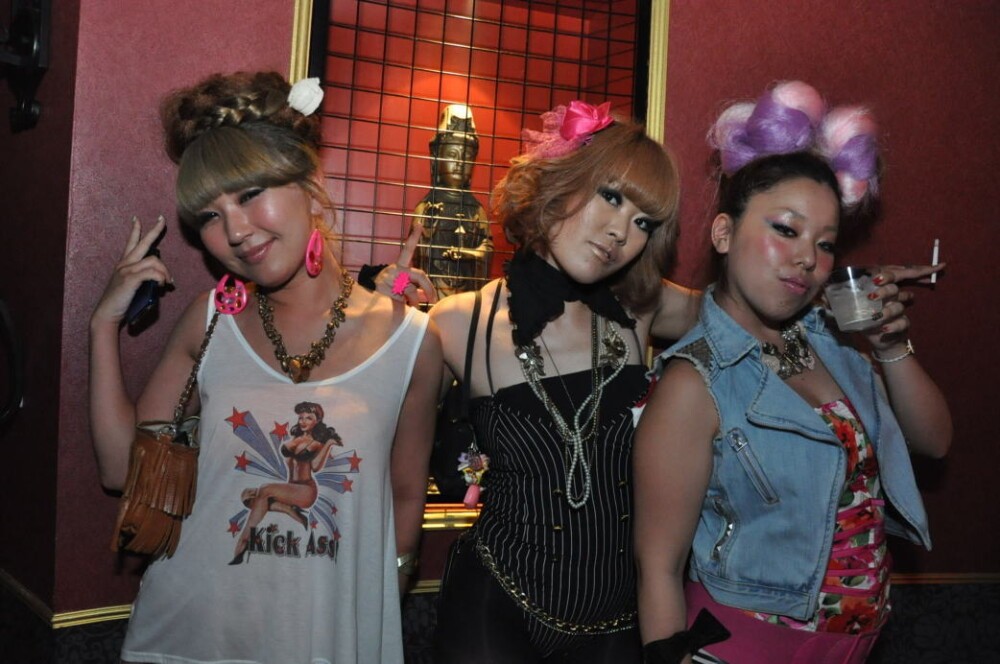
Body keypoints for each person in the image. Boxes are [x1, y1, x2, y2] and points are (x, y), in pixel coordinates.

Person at [88, 71, 441, 664]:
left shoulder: (411, 341)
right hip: (189, 636)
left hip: (326, 639)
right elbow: (121, 470)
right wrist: (103, 325)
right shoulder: (210, 321)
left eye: (250, 194)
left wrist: (380, 600)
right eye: (209, 216)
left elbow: (406, 496)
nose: (235, 231)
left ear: (309, 184)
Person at [633, 81, 952, 664]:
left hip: (854, 648)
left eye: (825, 244)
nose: (808, 257)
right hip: (745, 648)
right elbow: (658, 568)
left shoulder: (833, 350)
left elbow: (934, 441)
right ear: (724, 233)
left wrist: (890, 345)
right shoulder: (693, 383)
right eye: (786, 229)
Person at [428, 100, 698, 663]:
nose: (621, 231)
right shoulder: (456, 324)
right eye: (612, 196)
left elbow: (747, 304)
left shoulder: (641, 308)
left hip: (619, 616)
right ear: (561, 181)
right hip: (495, 600)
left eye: (644, 223)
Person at [415, 103, 493, 297]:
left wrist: (470, 254)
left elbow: (487, 248)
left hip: (466, 295)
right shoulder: (427, 207)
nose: (459, 163)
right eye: (452, 155)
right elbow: (416, 255)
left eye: (466, 156)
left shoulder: (476, 210)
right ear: (437, 158)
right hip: (435, 293)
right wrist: (429, 228)